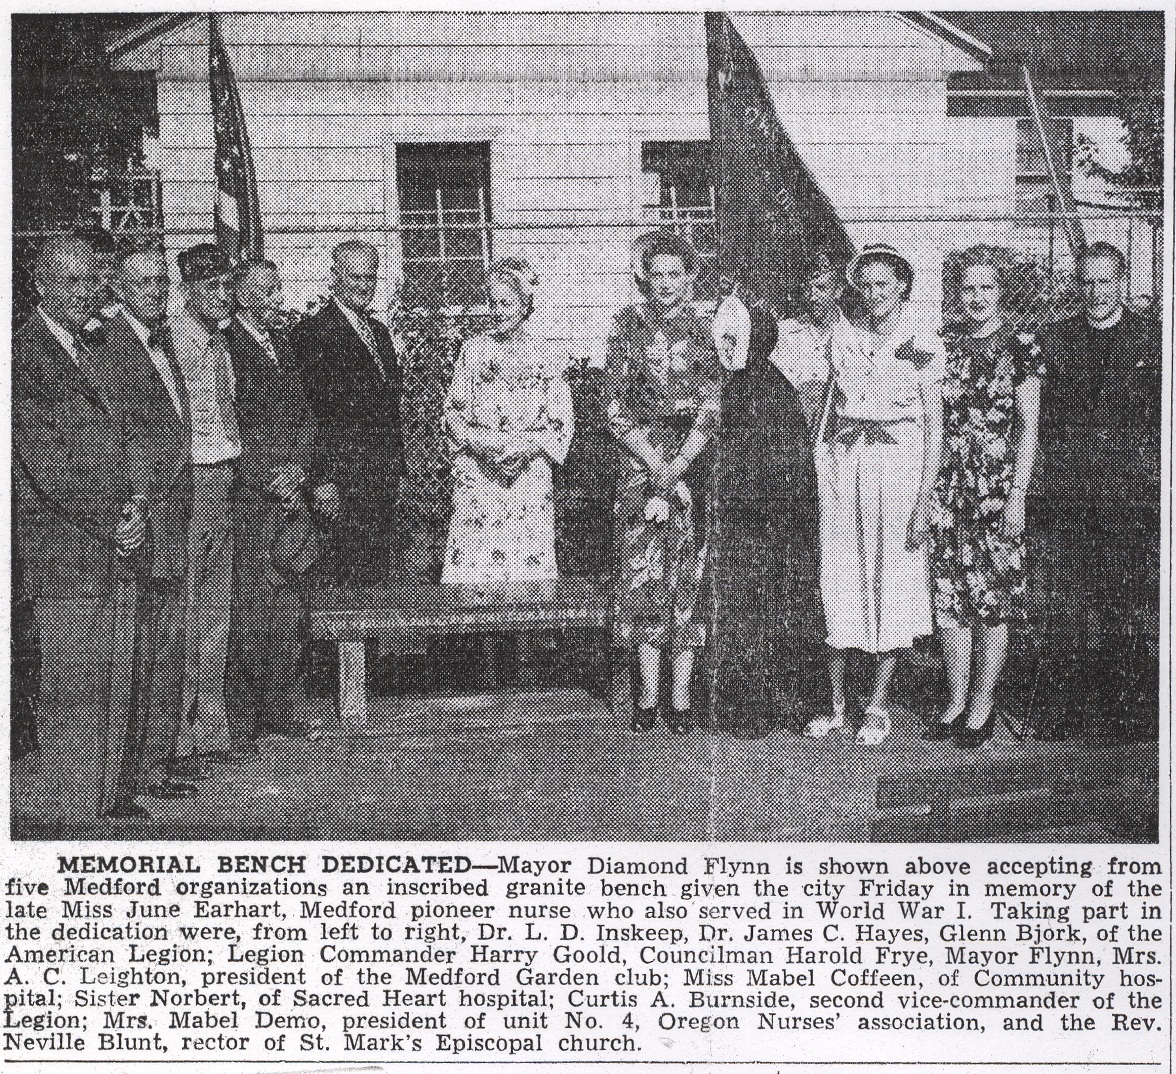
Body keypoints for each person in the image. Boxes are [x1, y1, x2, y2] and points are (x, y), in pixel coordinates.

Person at [12, 235, 147, 819]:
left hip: (117, 532)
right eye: (77, 281)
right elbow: (47, 462)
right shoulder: (23, 357)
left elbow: (134, 431)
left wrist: (135, 505)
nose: (91, 290)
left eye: (94, 278)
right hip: (66, 543)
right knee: (75, 680)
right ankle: (73, 807)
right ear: (42, 287)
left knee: (118, 670)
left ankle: (113, 797)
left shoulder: (101, 347)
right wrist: (112, 516)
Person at [805, 243, 945, 745]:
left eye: (884, 283)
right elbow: (822, 409)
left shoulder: (923, 339)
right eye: (865, 284)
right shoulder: (838, 336)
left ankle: (878, 707)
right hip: (846, 467)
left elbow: (934, 423)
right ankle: (838, 705)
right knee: (840, 580)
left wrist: (926, 494)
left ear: (903, 288)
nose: (874, 293)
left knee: (890, 587)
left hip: (899, 470)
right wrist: (823, 471)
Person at [1036, 242, 1161, 739]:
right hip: (1071, 491)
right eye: (1086, 281)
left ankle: (1127, 706)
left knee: (1123, 601)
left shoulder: (1150, 338)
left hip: (1129, 493)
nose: (1094, 290)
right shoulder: (1057, 339)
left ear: (1122, 282)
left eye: (1104, 281)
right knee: (1068, 603)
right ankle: (1069, 710)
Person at [926, 246, 1046, 749]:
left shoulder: (1022, 348)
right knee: (949, 598)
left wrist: (1018, 493)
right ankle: (956, 700)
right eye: (968, 289)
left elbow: (1028, 426)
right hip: (952, 485)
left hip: (997, 488)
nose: (977, 298)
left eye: (987, 288)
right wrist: (929, 491)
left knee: (991, 601)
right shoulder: (945, 347)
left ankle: (982, 706)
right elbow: (935, 421)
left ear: (1002, 292)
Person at [602, 232, 721, 734]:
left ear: (689, 278)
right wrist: (653, 463)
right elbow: (614, 405)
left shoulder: (703, 329)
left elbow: (712, 405)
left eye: (677, 275)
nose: (666, 285)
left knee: (687, 580)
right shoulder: (626, 328)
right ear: (643, 278)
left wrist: (680, 464)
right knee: (647, 575)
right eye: (657, 275)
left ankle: (682, 697)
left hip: (691, 462)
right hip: (640, 461)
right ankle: (648, 698)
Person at [100, 242, 194, 802]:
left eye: (161, 284)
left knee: (165, 647)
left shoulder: (156, 344)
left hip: (171, 507)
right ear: (123, 290)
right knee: (143, 652)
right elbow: (121, 438)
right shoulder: (116, 348)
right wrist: (134, 504)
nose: (158, 294)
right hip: (145, 514)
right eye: (145, 285)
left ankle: (155, 765)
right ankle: (130, 775)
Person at [225, 259, 322, 743]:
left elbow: (306, 413)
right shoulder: (228, 348)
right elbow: (232, 424)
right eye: (263, 291)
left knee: (289, 600)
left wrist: (299, 470)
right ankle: (247, 712)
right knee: (252, 603)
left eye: (277, 288)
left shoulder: (282, 344)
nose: (274, 298)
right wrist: (270, 476)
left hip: (290, 489)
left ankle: (283, 706)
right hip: (254, 495)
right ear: (241, 295)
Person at [441, 258, 573, 584]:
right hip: (481, 473)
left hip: (528, 473)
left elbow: (561, 419)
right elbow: (454, 414)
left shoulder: (545, 353)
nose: (499, 311)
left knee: (527, 570)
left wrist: (527, 449)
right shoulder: (473, 351)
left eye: (507, 303)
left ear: (524, 304)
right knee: (478, 573)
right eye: (494, 303)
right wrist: (486, 448)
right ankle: (475, 636)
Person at [169, 244, 243, 773]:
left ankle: (212, 727)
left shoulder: (220, 340)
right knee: (187, 608)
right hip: (189, 479)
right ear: (189, 287)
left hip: (224, 472)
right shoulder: (174, 339)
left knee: (217, 608)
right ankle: (178, 737)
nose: (224, 296)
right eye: (214, 287)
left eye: (226, 285)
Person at [292, 240, 404, 586]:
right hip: (341, 479)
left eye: (369, 278)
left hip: (379, 475)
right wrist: (321, 478)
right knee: (342, 581)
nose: (363, 286)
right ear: (334, 276)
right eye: (355, 277)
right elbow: (313, 413)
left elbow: (387, 405)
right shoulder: (314, 333)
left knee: (374, 578)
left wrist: (395, 467)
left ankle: (370, 642)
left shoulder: (380, 333)